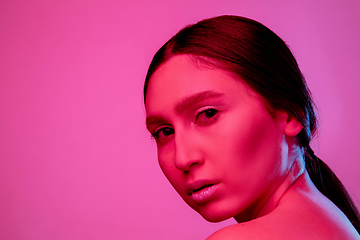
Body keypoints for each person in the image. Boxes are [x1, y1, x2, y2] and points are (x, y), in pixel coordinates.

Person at [143, 15, 360, 239]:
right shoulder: (335, 223)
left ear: (291, 114)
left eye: (208, 114)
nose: (183, 159)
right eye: (165, 131)